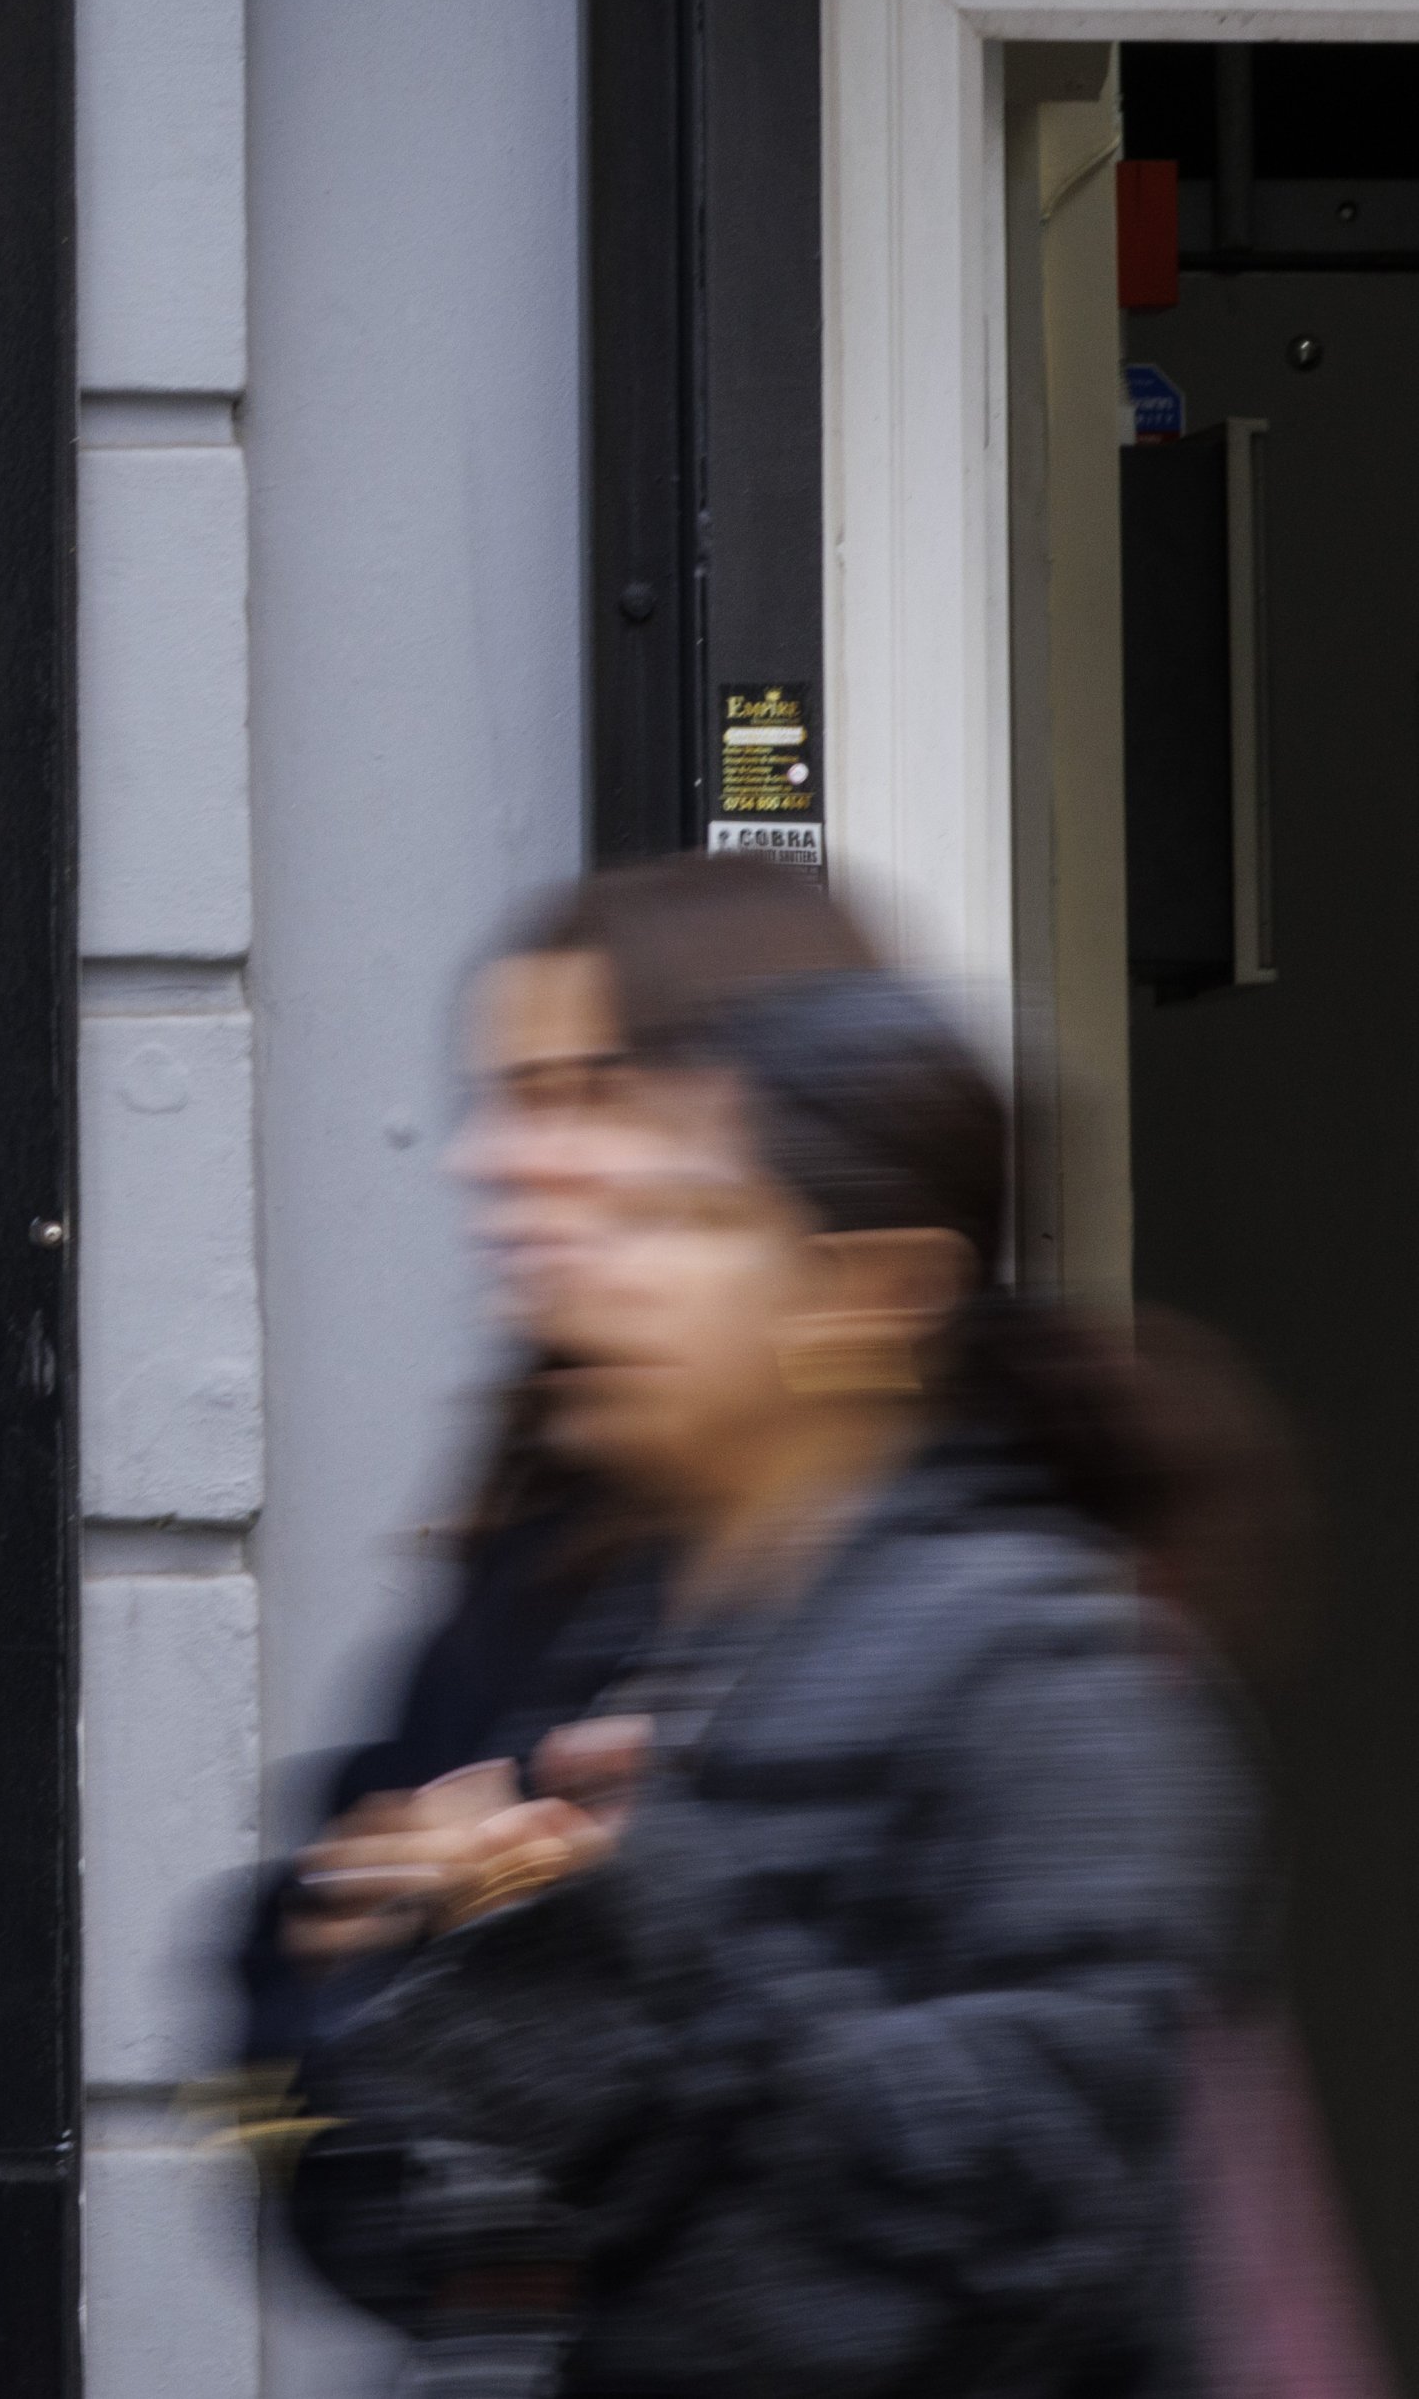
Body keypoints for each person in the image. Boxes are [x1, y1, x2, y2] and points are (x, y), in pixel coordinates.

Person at [292, 968, 1256, 2396]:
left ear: (866, 1289)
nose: (587, 1265)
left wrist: (592, 1932)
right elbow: (447, 2238)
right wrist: (420, 1976)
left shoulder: (1043, 1671)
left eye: (678, 1217)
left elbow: (1018, 2238)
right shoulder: (622, 1630)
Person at [237, 854, 877, 2071]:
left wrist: (576, 1933)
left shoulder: (983, 1592)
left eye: (580, 1094)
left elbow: (979, 2146)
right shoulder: (559, 1519)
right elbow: (328, 2112)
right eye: (507, 1097)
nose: (486, 1159)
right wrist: (383, 1922)